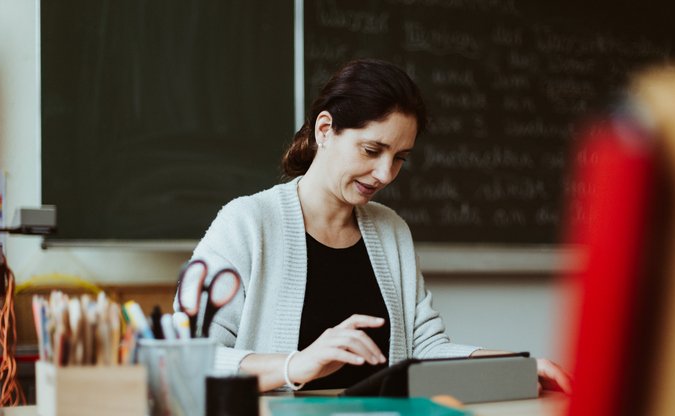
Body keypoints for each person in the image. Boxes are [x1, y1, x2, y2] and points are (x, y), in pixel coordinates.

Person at [178, 58, 571, 393]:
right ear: (324, 130)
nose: (385, 173)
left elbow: (424, 349)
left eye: (400, 157)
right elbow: (185, 360)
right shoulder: (247, 223)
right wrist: (295, 365)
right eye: (372, 150)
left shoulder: (390, 230)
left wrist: (515, 366)